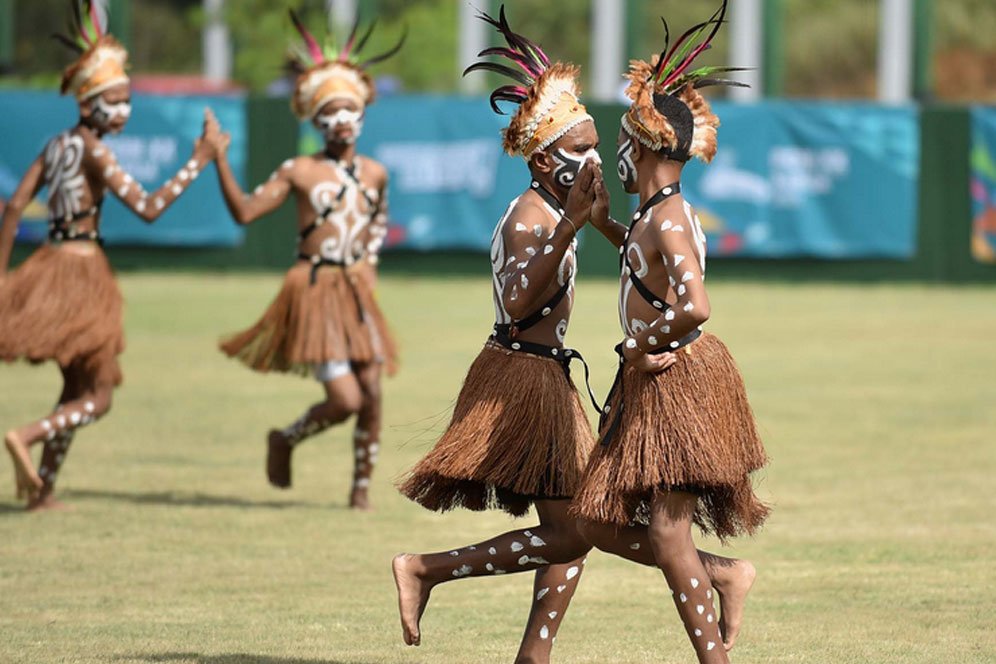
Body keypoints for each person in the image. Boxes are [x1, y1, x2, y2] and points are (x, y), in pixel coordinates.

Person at [392, 7, 750, 662]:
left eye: (597, 143)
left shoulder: (645, 215)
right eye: (577, 147)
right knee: (580, 526)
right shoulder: (535, 218)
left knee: (584, 526)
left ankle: (503, 622)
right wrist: (586, 227)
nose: (592, 156)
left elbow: (680, 293)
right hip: (524, 373)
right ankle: (442, 580)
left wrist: (640, 324)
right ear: (542, 159)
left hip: (590, 372)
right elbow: (523, 299)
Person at [571, 3, 770, 660]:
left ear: (646, 145)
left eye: (623, 144)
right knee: (596, 520)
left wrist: (641, 344)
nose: (617, 155)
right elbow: (646, 262)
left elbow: (696, 303)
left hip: (675, 379)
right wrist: (601, 223)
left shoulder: (670, 217)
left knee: (666, 535)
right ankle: (722, 573)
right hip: (655, 378)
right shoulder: (655, 214)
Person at [0, 0, 218, 511]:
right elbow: (147, 207)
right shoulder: (95, 150)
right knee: (99, 397)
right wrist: (198, 161)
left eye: (126, 100)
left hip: (46, 266)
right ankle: (26, 437)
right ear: (88, 102)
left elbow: (12, 206)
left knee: (74, 385)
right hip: (80, 271)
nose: (123, 110)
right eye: (114, 101)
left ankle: (42, 490)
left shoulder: (56, 145)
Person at [209, 10, 403, 510]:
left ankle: (360, 492)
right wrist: (219, 161)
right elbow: (246, 211)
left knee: (374, 393)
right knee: (345, 400)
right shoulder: (299, 170)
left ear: (362, 114)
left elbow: (378, 222)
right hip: (314, 290)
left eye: (349, 110)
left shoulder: (377, 173)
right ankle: (287, 438)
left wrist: (371, 267)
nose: (341, 120)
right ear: (315, 120)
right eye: (330, 113)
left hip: (356, 292)